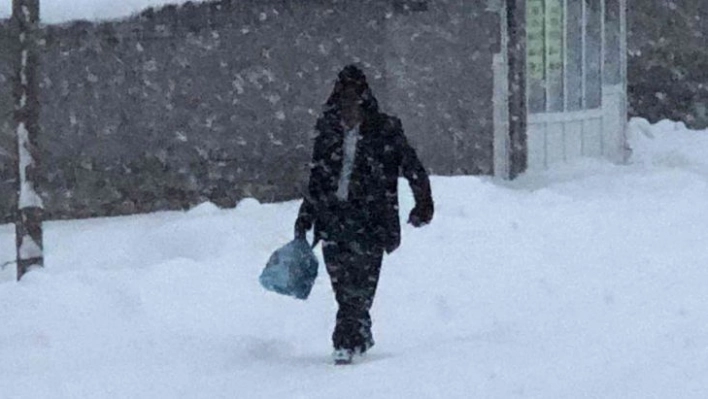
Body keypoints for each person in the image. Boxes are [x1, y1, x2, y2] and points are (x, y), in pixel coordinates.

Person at [294, 65, 434, 364]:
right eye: (343, 101)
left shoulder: (385, 131)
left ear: (364, 101)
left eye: (353, 101)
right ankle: (358, 332)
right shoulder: (327, 131)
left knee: (359, 286)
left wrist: (423, 203)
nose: (348, 108)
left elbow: (412, 167)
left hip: (371, 221)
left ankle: (344, 341)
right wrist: (305, 216)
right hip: (332, 219)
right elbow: (317, 178)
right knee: (343, 286)